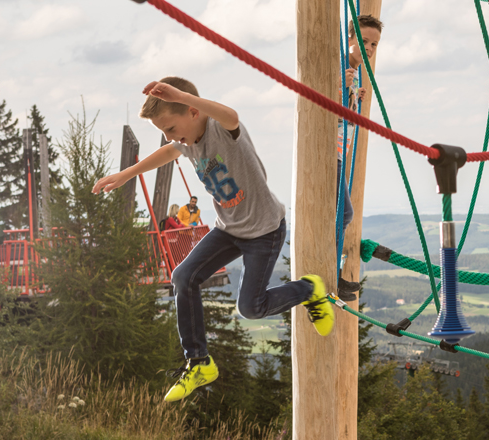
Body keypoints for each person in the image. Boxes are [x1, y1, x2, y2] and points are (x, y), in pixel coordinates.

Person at [92, 76, 334, 403]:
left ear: (193, 112)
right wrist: (127, 174)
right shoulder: (186, 141)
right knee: (183, 277)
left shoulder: (222, 130)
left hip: (264, 231)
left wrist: (179, 95)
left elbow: (230, 114)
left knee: (251, 307)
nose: (170, 136)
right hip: (228, 230)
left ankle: (309, 290)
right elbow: (168, 151)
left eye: (170, 127)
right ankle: (199, 361)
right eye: (164, 132)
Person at [336, 14, 383, 302]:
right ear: (349, 38)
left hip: (340, 152)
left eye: (374, 44)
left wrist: (354, 95)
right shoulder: (342, 69)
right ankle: (331, 274)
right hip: (330, 154)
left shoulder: (352, 73)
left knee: (342, 214)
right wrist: (342, 86)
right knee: (344, 214)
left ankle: (333, 273)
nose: (368, 48)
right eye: (363, 41)